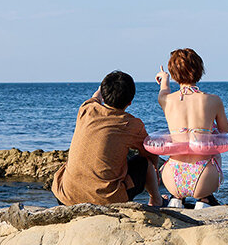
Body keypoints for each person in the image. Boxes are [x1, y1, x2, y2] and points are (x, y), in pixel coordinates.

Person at [51, 70, 162, 207]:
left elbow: (95, 97)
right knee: (143, 162)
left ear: (103, 95)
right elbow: (149, 152)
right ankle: (156, 199)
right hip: (105, 200)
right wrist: (155, 171)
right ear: (130, 102)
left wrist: (100, 91)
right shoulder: (131, 124)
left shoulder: (87, 109)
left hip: (65, 196)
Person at [155, 48, 228, 208]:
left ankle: (177, 198)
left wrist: (164, 79)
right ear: (200, 70)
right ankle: (204, 199)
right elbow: (226, 135)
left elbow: (164, 91)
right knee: (216, 153)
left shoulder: (166, 100)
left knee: (172, 155)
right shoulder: (214, 100)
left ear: (174, 74)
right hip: (204, 178)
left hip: (172, 179)